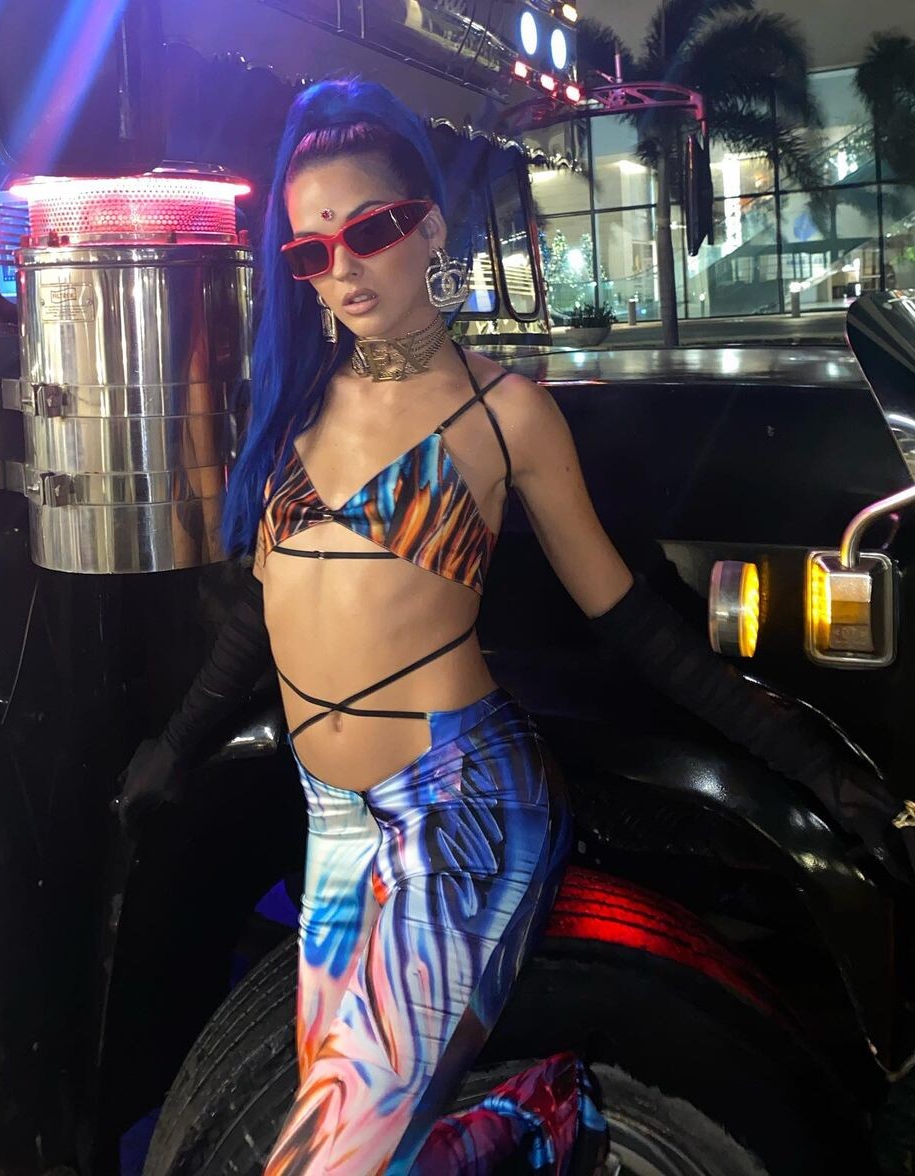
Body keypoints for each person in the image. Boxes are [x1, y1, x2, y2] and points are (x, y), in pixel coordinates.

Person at [118, 79, 913, 1174]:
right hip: (333, 823)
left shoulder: (506, 414)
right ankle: (544, 1112)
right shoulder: (297, 405)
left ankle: (546, 1119)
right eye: (311, 250)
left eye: (371, 230)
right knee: (366, 1137)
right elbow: (267, 615)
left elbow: (630, 618)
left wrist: (814, 765)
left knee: (328, 1159)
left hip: (462, 810)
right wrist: (178, 743)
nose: (344, 268)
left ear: (431, 226)